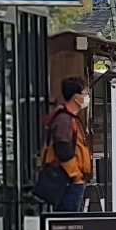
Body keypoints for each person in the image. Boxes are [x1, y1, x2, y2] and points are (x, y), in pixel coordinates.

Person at [43, 76, 92, 212]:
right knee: (70, 224)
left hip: (70, 179)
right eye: (85, 94)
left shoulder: (68, 118)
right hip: (68, 181)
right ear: (76, 97)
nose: (87, 97)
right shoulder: (64, 119)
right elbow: (63, 149)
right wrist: (76, 176)